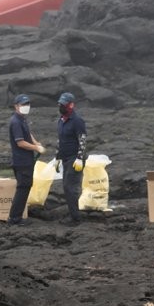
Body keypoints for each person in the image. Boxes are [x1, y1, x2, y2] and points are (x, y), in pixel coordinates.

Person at [7, 94, 44, 226]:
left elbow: (28, 134)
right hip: (21, 162)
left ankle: (15, 217)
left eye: (27, 104)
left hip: (26, 161)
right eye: (23, 104)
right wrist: (35, 148)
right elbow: (20, 142)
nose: (26, 107)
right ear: (16, 106)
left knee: (25, 187)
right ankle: (14, 218)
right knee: (23, 188)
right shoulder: (16, 122)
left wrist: (36, 143)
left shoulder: (22, 119)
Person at [55, 91, 87, 226]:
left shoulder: (77, 121)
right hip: (65, 159)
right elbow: (59, 140)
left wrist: (80, 158)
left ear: (71, 105)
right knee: (66, 187)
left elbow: (82, 140)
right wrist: (57, 157)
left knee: (71, 188)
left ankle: (76, 218)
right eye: (60, 104)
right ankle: (73, 215)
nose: (61, 107)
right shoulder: (60, 121)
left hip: (75, 159)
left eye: (64, 104)